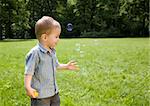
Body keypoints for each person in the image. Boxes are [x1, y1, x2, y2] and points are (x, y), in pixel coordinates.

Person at [24, 16, 79, 106]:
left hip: (54, 92)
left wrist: (66, 66)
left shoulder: (52, 51)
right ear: (45, 37)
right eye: (56, 36)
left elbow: (56, 65)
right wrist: (27, 87)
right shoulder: (35, 53)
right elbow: (28, 72)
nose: (58, 39)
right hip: (41, 96)